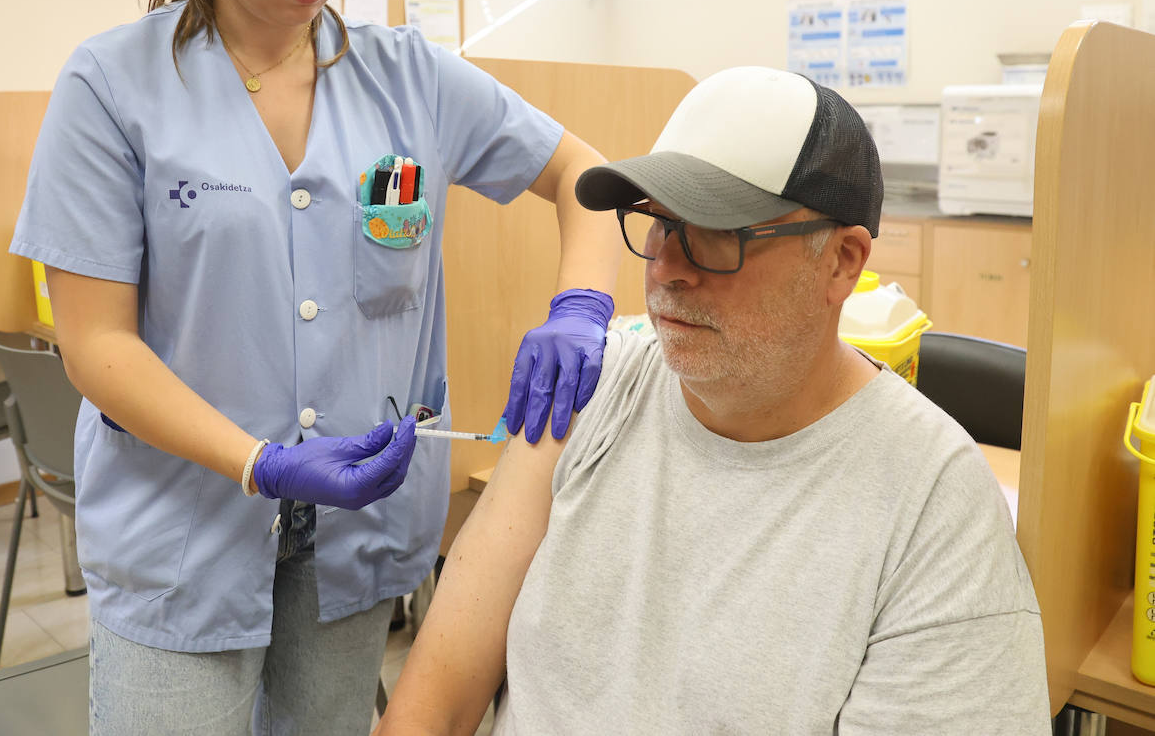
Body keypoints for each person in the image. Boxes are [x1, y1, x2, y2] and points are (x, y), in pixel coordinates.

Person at [10, 0, 618, 735]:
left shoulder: (409, 78)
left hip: (359, 534)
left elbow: (585, 174)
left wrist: (581, 307)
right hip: (183, 531)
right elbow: (97, 348)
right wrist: (262, 463)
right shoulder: (112, 86)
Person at [378, 66, 1051, 734]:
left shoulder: (932, 503)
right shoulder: (592, 385)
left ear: (842, 260)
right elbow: (432, 707)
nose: (668, 268)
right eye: (657, 224)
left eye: (717, 233)